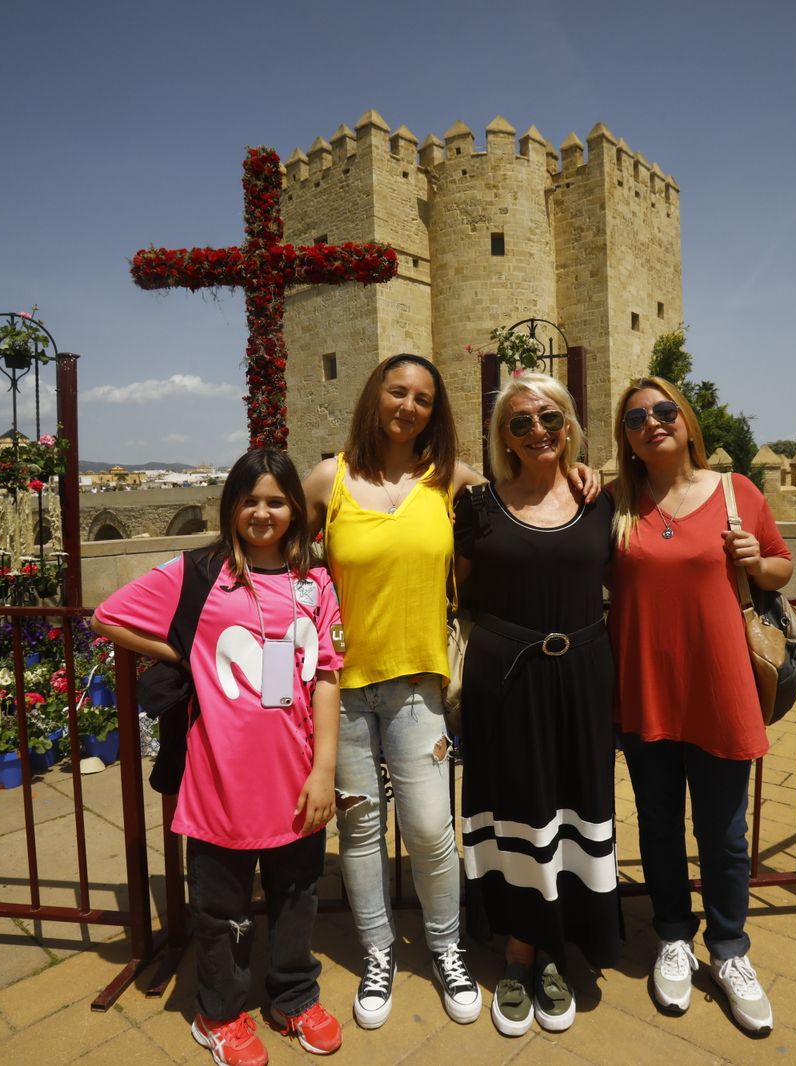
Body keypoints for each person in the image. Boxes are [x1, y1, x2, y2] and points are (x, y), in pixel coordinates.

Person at [301, 354, 598, 1032]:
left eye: (423, 398)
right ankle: (378, 953)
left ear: (436, 412)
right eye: (397, 391)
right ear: (375, 396)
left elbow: (528, 485)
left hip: (420, 683)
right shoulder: (329, 480)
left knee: (432, 830)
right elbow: (280, 548)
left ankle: (445, 948)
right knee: (361, 830)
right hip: (342, 690)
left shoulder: (452, 482)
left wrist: (584, 469)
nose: (408, 406)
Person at [93, 449, 344, 1066]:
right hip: (221, 778)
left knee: (296, 896)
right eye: (250, 500)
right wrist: (184, 653)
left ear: (295, 510)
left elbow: (328, 676)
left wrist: (325, 770)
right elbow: (107, 616)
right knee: (220, 908)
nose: (263, 512)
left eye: (277, 501)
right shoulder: (200, 573)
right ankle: (219, 1013)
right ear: (231, 505)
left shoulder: (315, 583)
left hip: (297, 774)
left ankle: (292, 997)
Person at [607, 377, 793, 1037]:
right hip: (645, 691)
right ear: (625, 437)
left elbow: (780, 566)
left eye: (664, 411)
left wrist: (758, 561)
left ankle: (732, 951)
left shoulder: (737, 492)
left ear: (687, 422)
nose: (652, 423)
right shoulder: (615, 501)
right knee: (657, 826)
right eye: (636, 418)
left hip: (719, 687)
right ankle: (671, 937)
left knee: (722, 834)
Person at [452, 373, 620, 1037]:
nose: (537, 431)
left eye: (548, 417)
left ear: (571, 424)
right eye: (519, 422)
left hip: (582, 675)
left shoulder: (602, 501)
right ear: (502, 438)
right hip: (507, 677)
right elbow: (456, 590)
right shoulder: (480, 506)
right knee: (518, 808)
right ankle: (521, 949)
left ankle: (559, 945)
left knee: (577, 805)